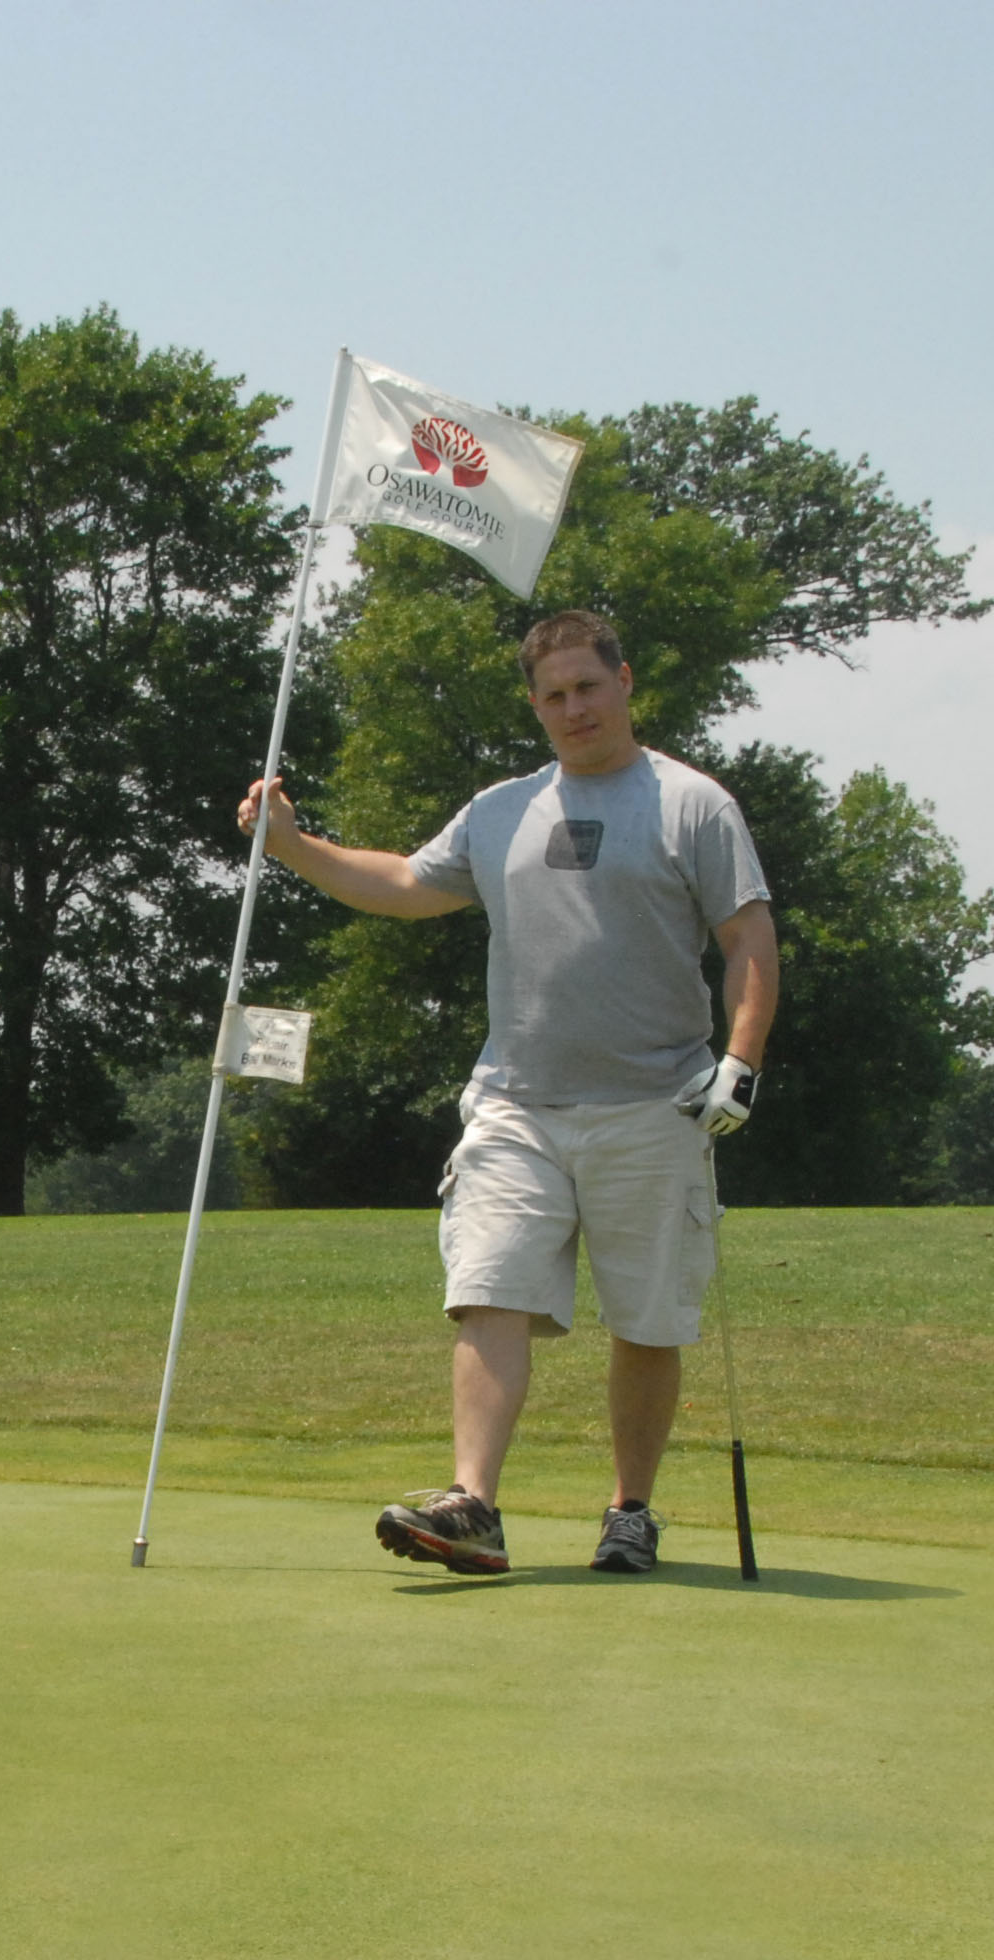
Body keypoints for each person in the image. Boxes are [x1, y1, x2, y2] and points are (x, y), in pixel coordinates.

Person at [241, 609, 776, 1577]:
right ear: (533, 707)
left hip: (656, 1104)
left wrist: (738, 1061)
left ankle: (629, 1511)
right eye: (553, 695)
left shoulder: (693, 805)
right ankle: (472, 1505)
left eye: (587, 686)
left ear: (623, 684)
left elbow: (746, 941)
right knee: (486, 1286)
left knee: (645, 1323)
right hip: (514, 1103)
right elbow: (405, 881)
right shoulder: (500, 810)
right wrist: (290, 846)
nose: (573, 708)